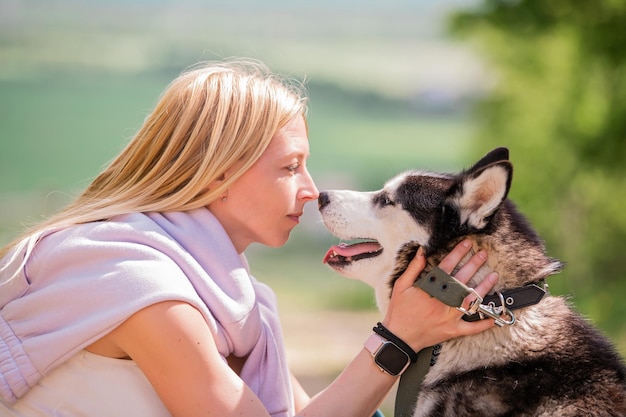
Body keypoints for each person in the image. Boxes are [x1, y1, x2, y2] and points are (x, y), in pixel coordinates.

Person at [0, 59, 498, 417]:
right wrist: (398, 338)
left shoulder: (238, 301)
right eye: (289, 167)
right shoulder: (136, 285)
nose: (310, 191)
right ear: (216, 174)